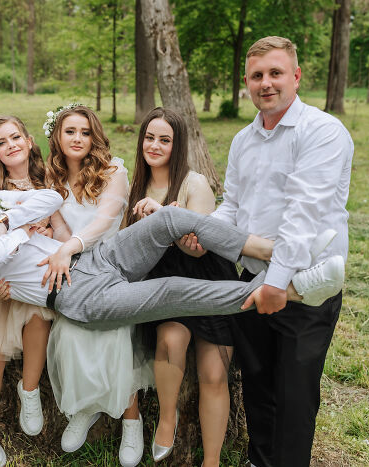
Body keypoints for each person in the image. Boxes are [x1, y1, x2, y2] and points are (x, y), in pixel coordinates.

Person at [0, 154, 344, 340]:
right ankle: (295, 290)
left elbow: (48, 198)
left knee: (167, 219)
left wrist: (6, 221)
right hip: (76, 296)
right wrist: (22, 231)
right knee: (170, 290)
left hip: (94, 258)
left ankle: (278, 252)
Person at [210, 36, 354, 467]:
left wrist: (276, 283)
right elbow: (233, 206)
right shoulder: (243, 140)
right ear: (246, 82)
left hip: (303, 286)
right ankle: (259, 460)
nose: (266, 83)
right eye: (257, 75)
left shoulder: (323, 131)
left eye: (276, 73)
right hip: (252, 279)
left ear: (296, 76)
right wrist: (202, 231)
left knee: (294, 394)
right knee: (257, 384)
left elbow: (304, 212)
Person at [124, 107, 239, 465]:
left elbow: (199, 247)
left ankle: (211, 461)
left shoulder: (194, 183)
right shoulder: (135, 187)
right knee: (171, 339)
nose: (154, 146)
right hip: (165, 285)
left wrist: (166, 219)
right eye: (149, 137)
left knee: (214, 374)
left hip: (206, 280)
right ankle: (167, 418)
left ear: (178, 145)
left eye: (165, 140)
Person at [40, 105, 150, 467]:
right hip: (76, 266)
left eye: (85, 132)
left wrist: (68, 249)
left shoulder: (113, 171)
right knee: (70, 332)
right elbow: (60, 227)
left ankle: (131, 417)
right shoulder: (51, 177)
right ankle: (86, 408)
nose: (77, 138)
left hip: (112, 265)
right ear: (57, 136)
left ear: (95, 137)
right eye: (70, 131)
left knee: (114, 332)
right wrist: (61, 245)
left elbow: (104, 222)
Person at [0, 116, 63, 467]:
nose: (11, 146)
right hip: (1, 284)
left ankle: (29, 389)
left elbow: (62, 228)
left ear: (30, 140)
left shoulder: (50, 178)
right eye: (1, 142)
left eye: (15, 137)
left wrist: (49, 234)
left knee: (39, 318)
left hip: (35, 277)